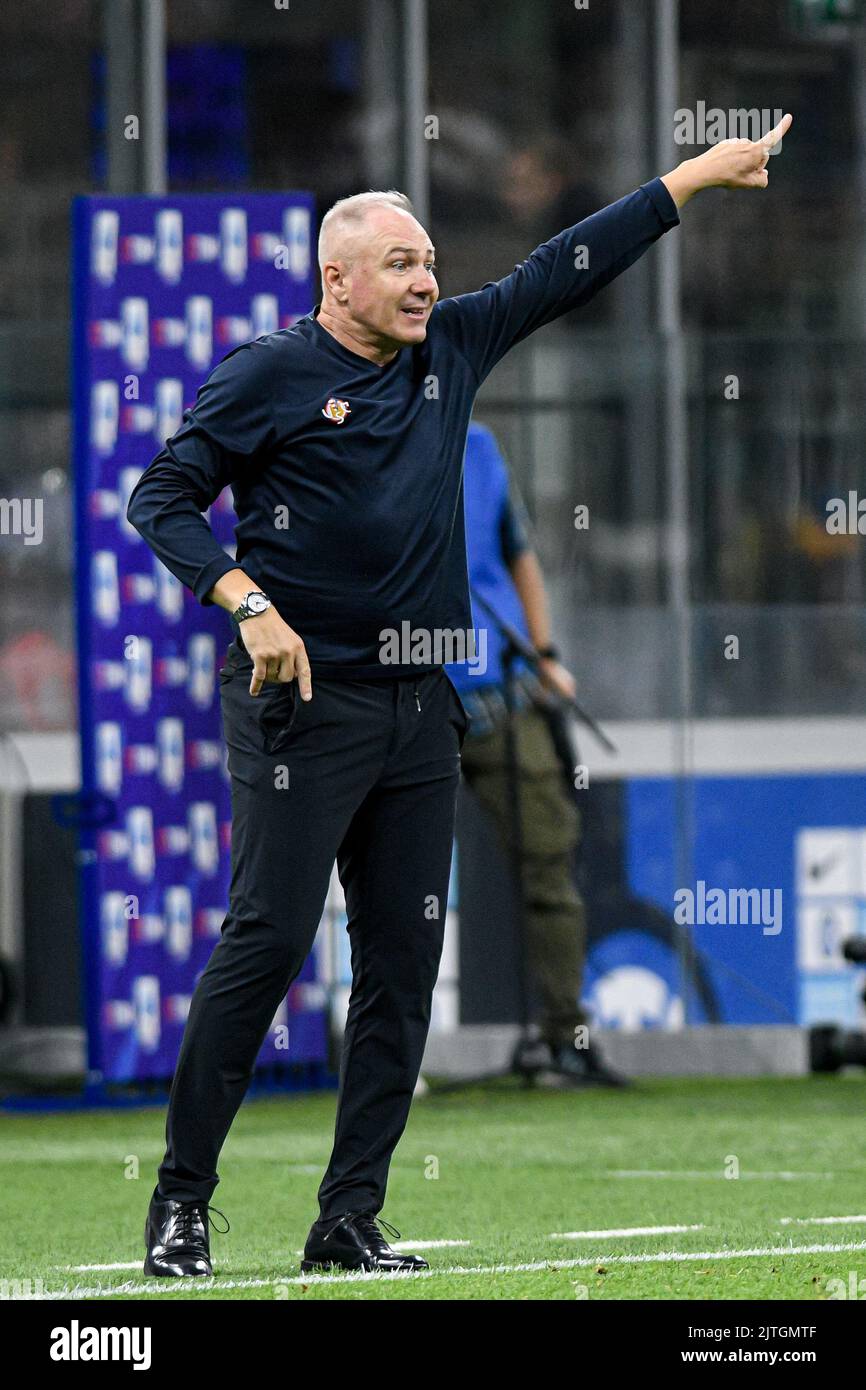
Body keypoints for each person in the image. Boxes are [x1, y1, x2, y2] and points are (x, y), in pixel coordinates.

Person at [126, 113, 793, 1278]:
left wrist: (695, 173)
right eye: (400, 262)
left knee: (401, 963)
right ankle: (181, 1201)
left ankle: (347, 1218)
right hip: (302, 705)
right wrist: (245, 600)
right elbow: (162, 497)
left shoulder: (452, 351)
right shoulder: (271, 372)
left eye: (430, 259)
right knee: (268, 941)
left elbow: (565, 264)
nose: (427, 277)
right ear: (335, 281)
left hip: (421, 706)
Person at [446, 420, 627, 1086]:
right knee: (393, 883)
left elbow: (518, 551)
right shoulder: (359, 431)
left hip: (500, 694)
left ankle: (564, 1037)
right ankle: (387, 1060)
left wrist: (546, 653)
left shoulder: (481, 445)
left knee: (552, 861)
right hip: (401, 700)